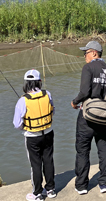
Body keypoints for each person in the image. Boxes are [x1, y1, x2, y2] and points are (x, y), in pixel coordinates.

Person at [71, 41, 106, 195]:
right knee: (104, 148)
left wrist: (74, 102)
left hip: (87, 116)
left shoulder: (88, 68)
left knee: (82, 150)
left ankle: (82, 185)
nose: (85, 56)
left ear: (94, 53)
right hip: (104, 116)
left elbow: (84, 92)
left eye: (86, 53)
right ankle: (104, 183)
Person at [13, 69, 57, 201]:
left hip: (32, 137)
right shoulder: (47, 94)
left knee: (35, 164)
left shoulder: (23, 100)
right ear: (39, 82)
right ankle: (51, 190)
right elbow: (52, 110)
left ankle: (37, 193)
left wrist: (26, 128)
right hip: (48, 133)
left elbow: (16, 123)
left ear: (26, 83)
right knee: (48, 161)